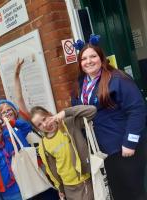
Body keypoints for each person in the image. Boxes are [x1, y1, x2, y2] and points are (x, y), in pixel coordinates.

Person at [71, 41, 147, 200]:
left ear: (101, 58)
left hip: (124, 148)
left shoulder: (118, 78)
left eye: (93, 56)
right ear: (80, 63)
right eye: (84, 58)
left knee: (134, 193)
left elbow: (137, 110)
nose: (89, 61)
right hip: (101, 151)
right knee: (117, 194)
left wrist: (130, 142)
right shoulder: (80, 85)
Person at [30, 105, 95, 200]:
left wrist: (64, 112)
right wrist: (60, 188)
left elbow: (92, 111)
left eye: (44, 119)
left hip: (84, 181)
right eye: (39, 125)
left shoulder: (68, 124)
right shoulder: (43, 145)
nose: (44, 125)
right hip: (68, 187)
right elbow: (51, 169)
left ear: (49, 114)